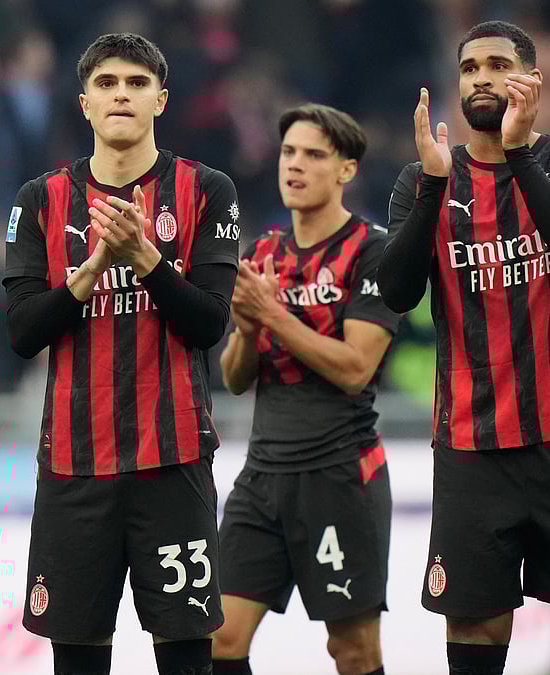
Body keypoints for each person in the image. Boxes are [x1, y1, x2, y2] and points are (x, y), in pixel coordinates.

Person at [379, 20, 550, 675]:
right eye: (470, 67)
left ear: (531, 81)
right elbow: (395, 294)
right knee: (476, 647)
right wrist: (429, 189)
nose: (481, 76)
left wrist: (518, 155)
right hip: (472, 452)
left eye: (497, 64)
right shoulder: (422, 181)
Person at [4, 32, 238, 675]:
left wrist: (147, 261)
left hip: (174, 459)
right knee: (78, 658)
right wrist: (91, 271)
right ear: (84, 104)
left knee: (187, 656)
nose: (121, 96)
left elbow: (210, 324)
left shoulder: (207, 190)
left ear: (161, 100)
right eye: (106, 84)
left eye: (136, 85)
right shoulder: (39, 200)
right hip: (75, 466)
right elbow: (22, 332)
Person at [209, 104, 397, 675]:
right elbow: (236, 379)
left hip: (339, 473)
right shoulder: (261, 254)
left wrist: (273, 314)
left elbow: (356, 368)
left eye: (314, 154)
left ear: (346, 170)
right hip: (263, 474)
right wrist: (246, 330)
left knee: (352, 650)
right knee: (219, 637)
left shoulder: (373, 250)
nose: (296, 165)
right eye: (289, 152)